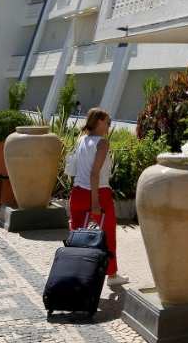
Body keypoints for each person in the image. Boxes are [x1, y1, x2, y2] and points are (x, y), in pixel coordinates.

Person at [69, 108, 129, 287]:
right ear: (99, 122)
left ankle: (73, 272)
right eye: (108, 122)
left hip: (78, 192)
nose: (109, 126)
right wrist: (95, 203)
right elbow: (94, 174)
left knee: (76, 235)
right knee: (108, 235)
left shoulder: (81, 140)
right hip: (98, 193)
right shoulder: (102, 143)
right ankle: (112, 275)